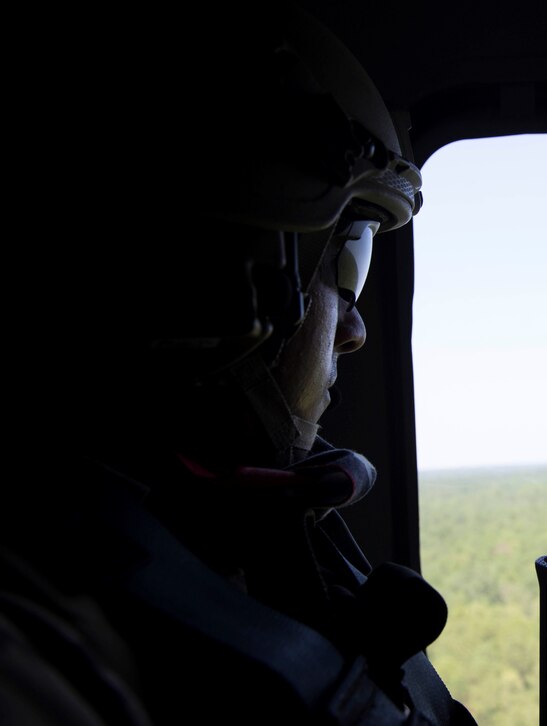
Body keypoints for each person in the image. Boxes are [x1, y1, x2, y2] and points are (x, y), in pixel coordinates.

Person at [1, 3, 475, 724]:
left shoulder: (237, 528)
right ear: (235, 272)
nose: (354, 330)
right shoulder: (36, 640)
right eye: (343, 262)